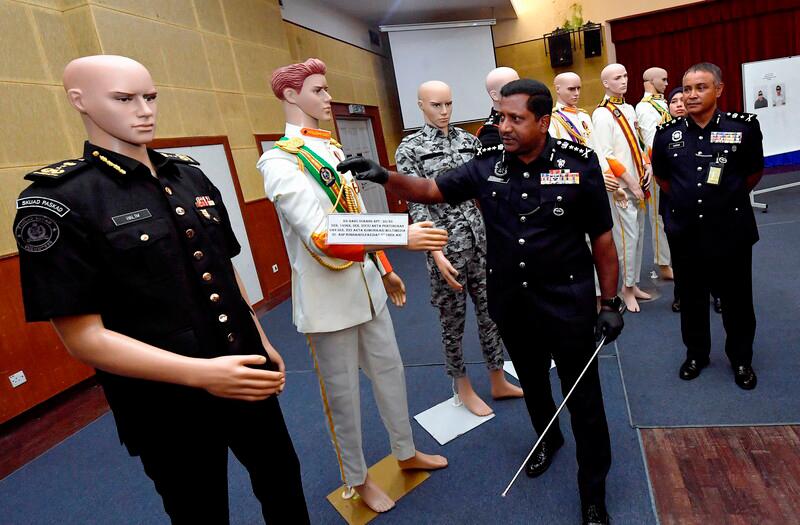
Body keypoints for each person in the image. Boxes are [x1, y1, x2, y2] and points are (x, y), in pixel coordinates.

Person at [13, 55, 309, 524]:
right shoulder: (59, 200)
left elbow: (223, 271)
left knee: (284, 486)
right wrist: (202, 374)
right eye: (124, 98)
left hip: (245, 370)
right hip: (165, 402)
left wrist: (262, 339)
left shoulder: (188, 175)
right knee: (199, 509)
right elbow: (82, 337)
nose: (144, 109)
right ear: (79, 100)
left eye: (149, 97)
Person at [339, 78, 625, 525]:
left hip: (567, 301)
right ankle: (548, 439)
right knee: (532, 381)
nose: (503, 127)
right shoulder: (487, 163)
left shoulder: (580, 163)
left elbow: (602, 240)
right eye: (500, 117)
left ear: (543, 121)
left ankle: (593, 491)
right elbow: (432, 190)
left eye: (516, 119)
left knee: (584, 399)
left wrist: (609, 301)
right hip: (512, 302)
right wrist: (383, 176)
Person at [256, 58, 448, 514]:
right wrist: (400, 235)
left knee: (391, 376)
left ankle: (405, 450)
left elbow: (354, 216)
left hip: (368, 287)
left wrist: (384, 266)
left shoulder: (334, 151)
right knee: (343, 397)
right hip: (327, 302)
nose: (327, 98)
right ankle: (356, 479)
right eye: (319, 91)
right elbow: (321, 231)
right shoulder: (279, 162)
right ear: (290, 96)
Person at [395, 81, 523, 416]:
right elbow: (417, 204)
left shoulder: (469, 141)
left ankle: (497, 376)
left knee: (490, 312)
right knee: (452, 321)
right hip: (444, 246)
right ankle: (462, 384)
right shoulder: (410, 148)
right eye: (436, 105)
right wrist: (435, 253)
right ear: (421, 105)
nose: (444, 111)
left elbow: (486, 191)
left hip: (481, 243)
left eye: (448, 104)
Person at [652, 62, 762, 390]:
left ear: (719, 89)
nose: (692, 95)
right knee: (692, 298)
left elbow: (753, 172)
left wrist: (723, 199)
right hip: (686, 232)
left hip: (731, 229)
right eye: (687, 89)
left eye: (701, 87)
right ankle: (697, 354)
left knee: (737, 299)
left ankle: (741, 358)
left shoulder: (742, 128)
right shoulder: (667, 134)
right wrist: (688, 203)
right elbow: (663, 178)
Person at [592, 63, 652, 312]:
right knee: (627, 240)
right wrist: (629, 182)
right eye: (617, 78)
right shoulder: (602, 114)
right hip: (623, 187)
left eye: (626, 75)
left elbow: (638, 143)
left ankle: (633, 283)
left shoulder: (629, 108)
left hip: (639, 180)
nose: (624, 81)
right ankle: (624, 290)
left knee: (638, 238)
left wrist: (647, 165)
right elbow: (606, 155)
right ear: (606, 83)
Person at [549, 71, 611, 302]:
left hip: (595, 187)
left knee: (601, 239)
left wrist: (605, 176)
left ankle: (605, 293)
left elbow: (597, 153)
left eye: (578, 88)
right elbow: (555, 162)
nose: (576, 93)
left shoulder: (584, 116)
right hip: (572, 190)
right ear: (557, 89)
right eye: (570, 89)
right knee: (580, 243)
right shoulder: (553, 121)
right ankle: (590, 296)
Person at [665, 88, 723, 315]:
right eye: (674, 101)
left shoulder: (714, 130)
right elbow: (662, 174)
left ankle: (718, 293)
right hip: (676, 206)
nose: (679, 104)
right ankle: (682, 295)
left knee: (715, 252)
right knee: (681, 258)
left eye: (682, 99)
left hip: (713, 206)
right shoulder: (664, 134)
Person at [636, 67, 673, 281]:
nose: (667, 83)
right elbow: (652, 141)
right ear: (650, 80)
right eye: (664, 79)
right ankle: (663, 262)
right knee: (659, 216)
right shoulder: (644, 107)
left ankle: (669, 256)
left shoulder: (662, 103)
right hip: (659, 167)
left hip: (672, 165)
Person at [477, 66, 520, 152]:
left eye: (520, 84)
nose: (520, 90)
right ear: (495, 96)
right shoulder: (491, 133)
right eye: (512, 87)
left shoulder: (526, 117)